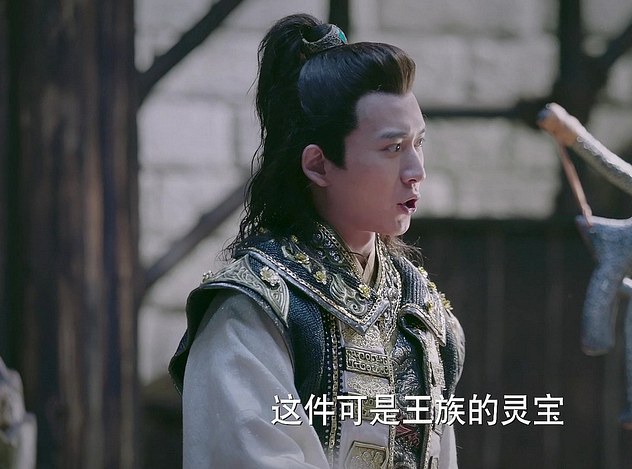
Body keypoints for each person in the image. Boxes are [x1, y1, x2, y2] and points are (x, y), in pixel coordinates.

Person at [168, 13, 466, 469]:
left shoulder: (419, 306)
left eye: (418, 143)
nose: (416, 171)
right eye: (392, 148)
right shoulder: (255, 310)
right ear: (319, 165)